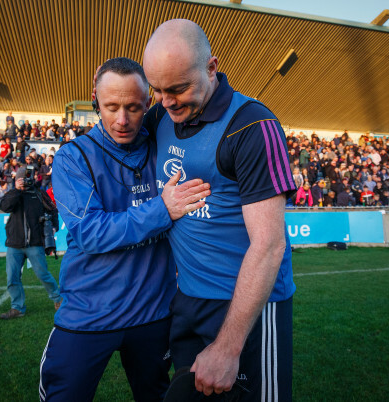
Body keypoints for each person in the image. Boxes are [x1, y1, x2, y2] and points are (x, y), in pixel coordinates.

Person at [40, 57, 211, 402]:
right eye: (111, 106)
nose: (122, 120)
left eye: (133, 107)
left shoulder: (162, 149)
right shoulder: (73, 157)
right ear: (95, 100)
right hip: (89, 314)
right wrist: (161, 209)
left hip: (153, 314)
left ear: (149, 102)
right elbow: (89, 232)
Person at [142, 19, 296, 400]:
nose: (167, 101)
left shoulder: (252, 125)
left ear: (212, 67)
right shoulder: (162, 114)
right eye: (157, 90)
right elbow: (117, 130)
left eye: (178, 88)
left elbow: (269, 245)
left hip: (248, 308)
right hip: (188, 301)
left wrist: (229, 347)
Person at [0, 167, 62, 320]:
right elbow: (5, 207)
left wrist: (54, 227)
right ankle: (17, 308)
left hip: (35, 243)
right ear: (16, 180)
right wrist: (17, 190)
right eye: (21, 178)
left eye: (27, 177)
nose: (25, 180)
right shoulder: (13, 194)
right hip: (14, 243)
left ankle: (58, 300)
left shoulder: (38, 193)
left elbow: (53, 210)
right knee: (12, 277)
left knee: (43, 274)